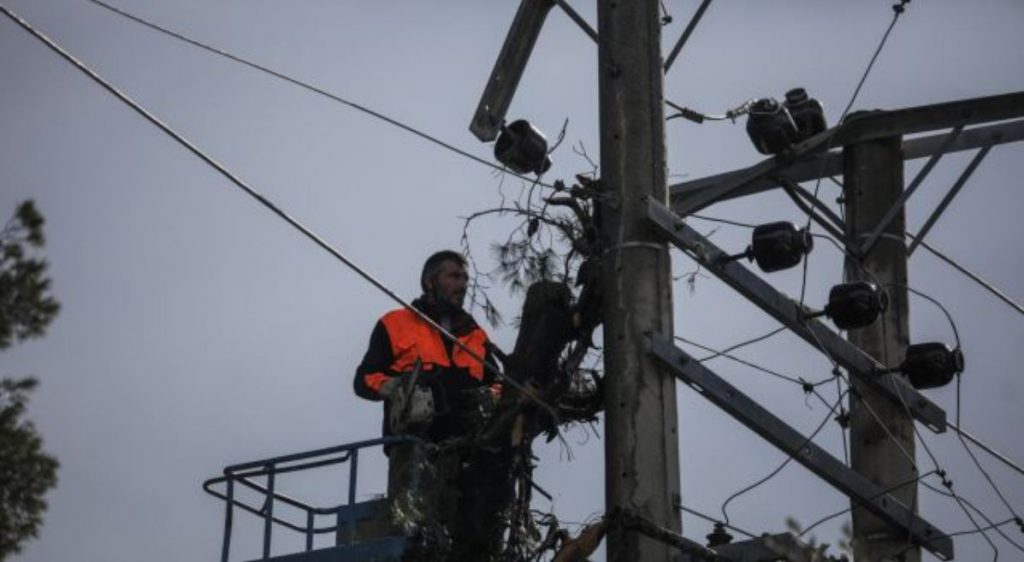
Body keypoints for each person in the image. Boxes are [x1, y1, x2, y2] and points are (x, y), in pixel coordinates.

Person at [353, 250, 509, 560]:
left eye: (465, 278)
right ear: (430, 281)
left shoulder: (475, 335)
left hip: (467, 449)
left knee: (471, 537)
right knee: (414, 537)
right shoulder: (396, 323)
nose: (462, 284)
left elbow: (501, 383)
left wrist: (490, 395)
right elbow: (364, 379)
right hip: (415, 446)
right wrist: (396, 386)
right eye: (453, 276)